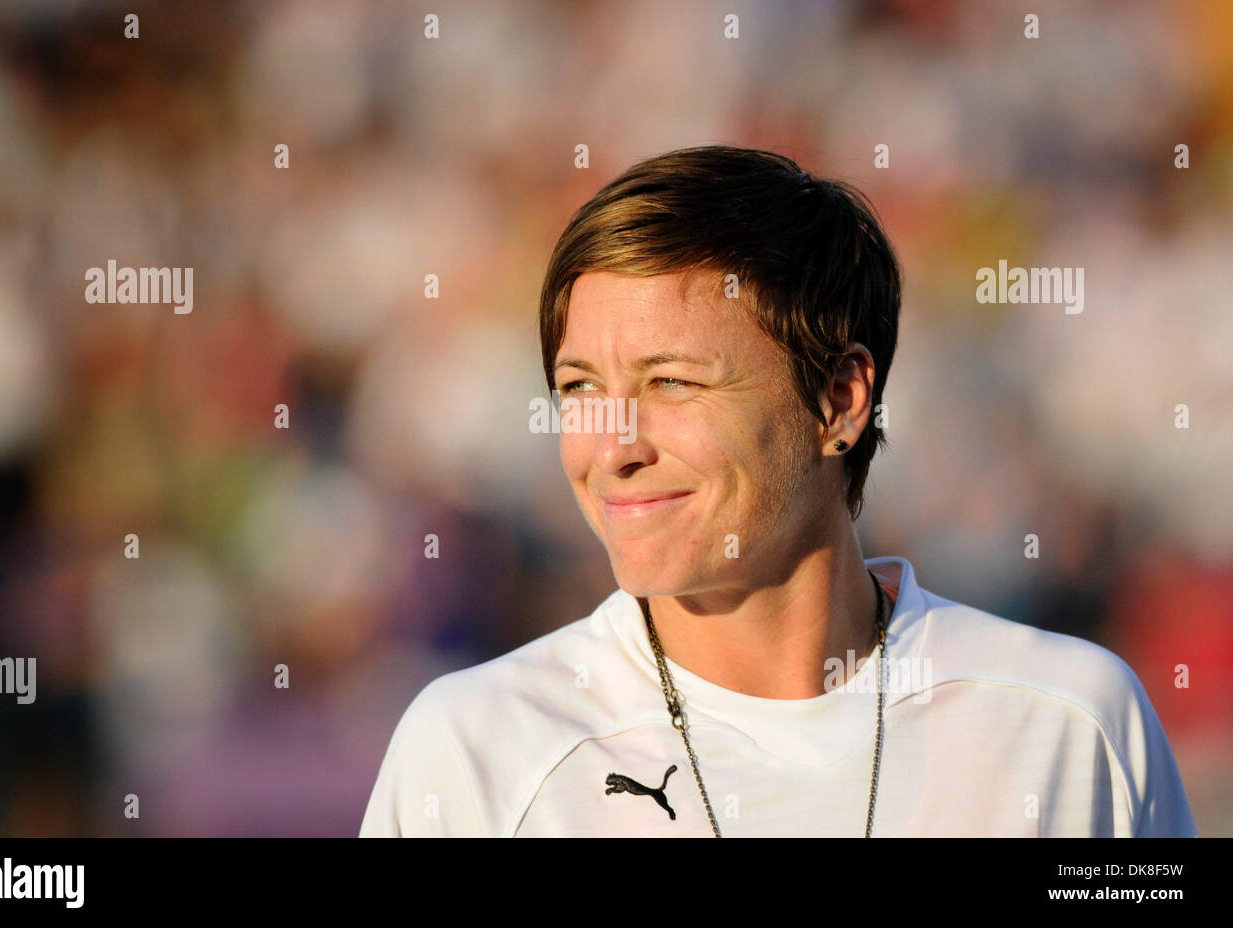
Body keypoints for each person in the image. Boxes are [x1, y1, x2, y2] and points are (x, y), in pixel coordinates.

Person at [360, 145, 1197, 837]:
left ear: (839, 401)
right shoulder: (474, 749)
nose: (613, 448)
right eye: (581, 389)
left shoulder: (1070, 723)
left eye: (674, 383)